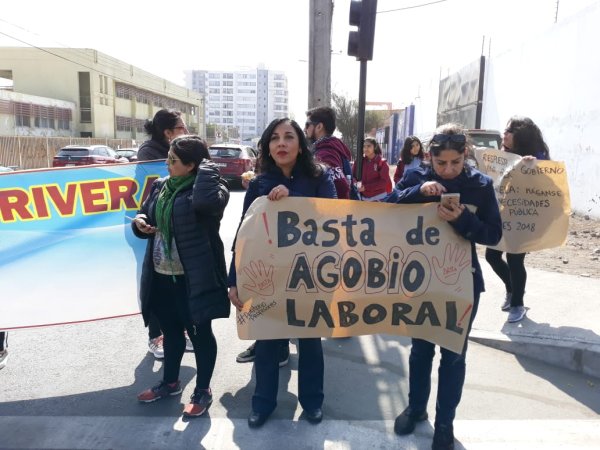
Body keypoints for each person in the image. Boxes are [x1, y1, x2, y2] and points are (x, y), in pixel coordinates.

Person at [389, 123, 502, 450]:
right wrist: (416, 192)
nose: (449, 170)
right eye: (441, 164)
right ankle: (416, 409)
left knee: (453, 356)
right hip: (419, 282)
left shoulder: (481, 186)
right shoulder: (415, 177)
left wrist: (463, 220)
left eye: (455, 162)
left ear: (465, 155)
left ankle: (444, 424)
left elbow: (494, 235)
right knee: (420, 351)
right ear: (429, 158)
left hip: (462, 284)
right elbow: (384, 207)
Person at [228, 118, 337, 428]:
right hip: (268, 279)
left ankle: (312, 402)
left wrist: (290, 196)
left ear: (300, 145)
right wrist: (234, 280)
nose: (281, 143)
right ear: (268, 147)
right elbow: (243, 233)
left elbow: (333, 216)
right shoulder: (260, 184)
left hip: (310, 276)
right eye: (274, 138)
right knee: (266, 342)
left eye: (289, 137)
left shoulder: (319, 177)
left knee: (310, 341)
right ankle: (262, 403)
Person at [133, 135, 230, 417]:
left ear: (191, 165)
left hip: (194, 278)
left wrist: (208, 168)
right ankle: (170, 382)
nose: (166, 163)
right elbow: (144, 214)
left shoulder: (212, 188)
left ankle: (203, 389)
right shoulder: (161, 186)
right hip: (162, 274)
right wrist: (140, 223)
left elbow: (205, 205)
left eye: (173, 160)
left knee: (200, 334)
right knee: (172, 333)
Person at [137, 108, 192, 359]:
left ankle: (177, 333)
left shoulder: (184, 152)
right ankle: (156, 336)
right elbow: (150, 197)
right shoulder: (150, 156)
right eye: (181, 128)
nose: (186, 132)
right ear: (167, 133)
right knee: (156, 287)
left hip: (178, 233)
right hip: (152, 229)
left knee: (176, 286)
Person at [485, 116, 551, 323]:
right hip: (501, 216)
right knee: (492, 257)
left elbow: (549, 183)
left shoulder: (537, 156)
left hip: (523, 217)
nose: (505, 134)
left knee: (515, 259)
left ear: (521, 136)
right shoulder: (503, 156)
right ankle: (511, 290)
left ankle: (517, 305)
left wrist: (535, 167)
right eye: (505, 130)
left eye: (510, 131)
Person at [304, 106, 353, 199]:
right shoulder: (335, 147)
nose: (304, 129)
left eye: (307, 125)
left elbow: (341, 187)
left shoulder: (325, 153)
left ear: (319, 127)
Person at [352, 137, 392, 201]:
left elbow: (384, 182)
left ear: (375, 147)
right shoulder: (359, 161)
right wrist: (357, 184)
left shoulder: (381, 162)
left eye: (369, 146)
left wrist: (366, 187)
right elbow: (352, 176)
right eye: (364, 146)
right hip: (362, 198)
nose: (366, 149)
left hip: (379, 198)